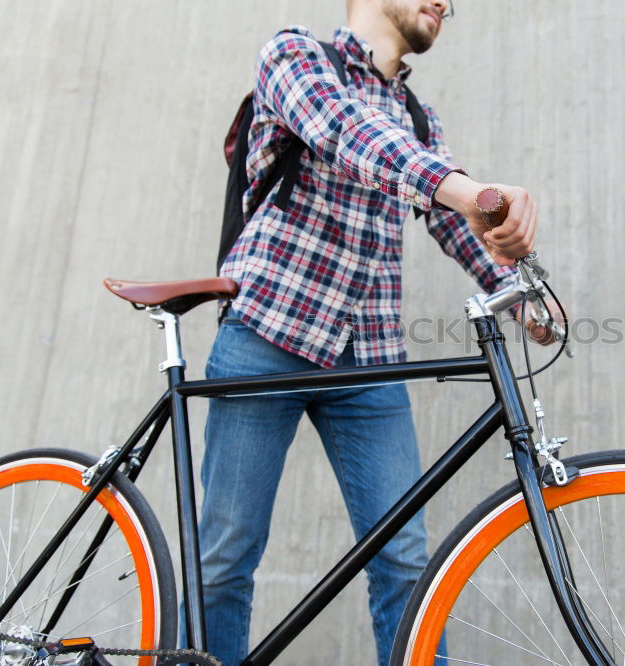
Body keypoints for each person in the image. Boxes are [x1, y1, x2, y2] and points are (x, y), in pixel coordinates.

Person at [197, 1, 543, 664]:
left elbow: (449, 221)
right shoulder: (294, 56)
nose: (445, 3)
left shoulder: (418, 118)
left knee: (408, 564)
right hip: (267, 337)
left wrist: (518, 288)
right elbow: (347, 135)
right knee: (226, 554)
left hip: (370, 361)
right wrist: (463, 188)